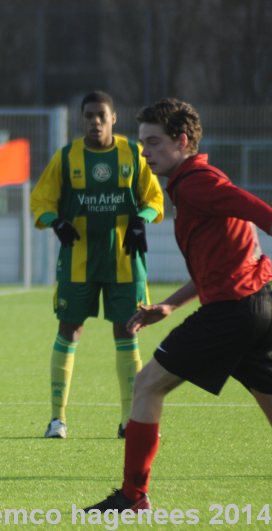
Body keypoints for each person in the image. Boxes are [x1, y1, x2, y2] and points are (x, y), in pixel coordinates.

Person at [85, 97, 272, 511]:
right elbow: (217, 265)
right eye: (141, 144)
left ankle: (133, 496)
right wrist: (169, 305)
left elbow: (259, 211)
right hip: (256, 305)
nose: (145, 153)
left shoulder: (197, 182)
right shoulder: (192, 182)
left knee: (148, 383)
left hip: (233, 312)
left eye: (152, 143)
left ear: (181, 140)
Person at [30, 90, 165, 439]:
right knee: (69, 330)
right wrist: (55, 221)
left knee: (126, 331)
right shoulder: (67, 158)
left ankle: (128, 420)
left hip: (124, 260)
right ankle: (57, 419)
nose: (95, 122)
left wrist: (141, 220)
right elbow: (41, 200)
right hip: (78, 262)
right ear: (82, 119)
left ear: (113, 118)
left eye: (101, 116)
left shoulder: (133, 154)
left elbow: (154, 198)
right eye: (89, 116)